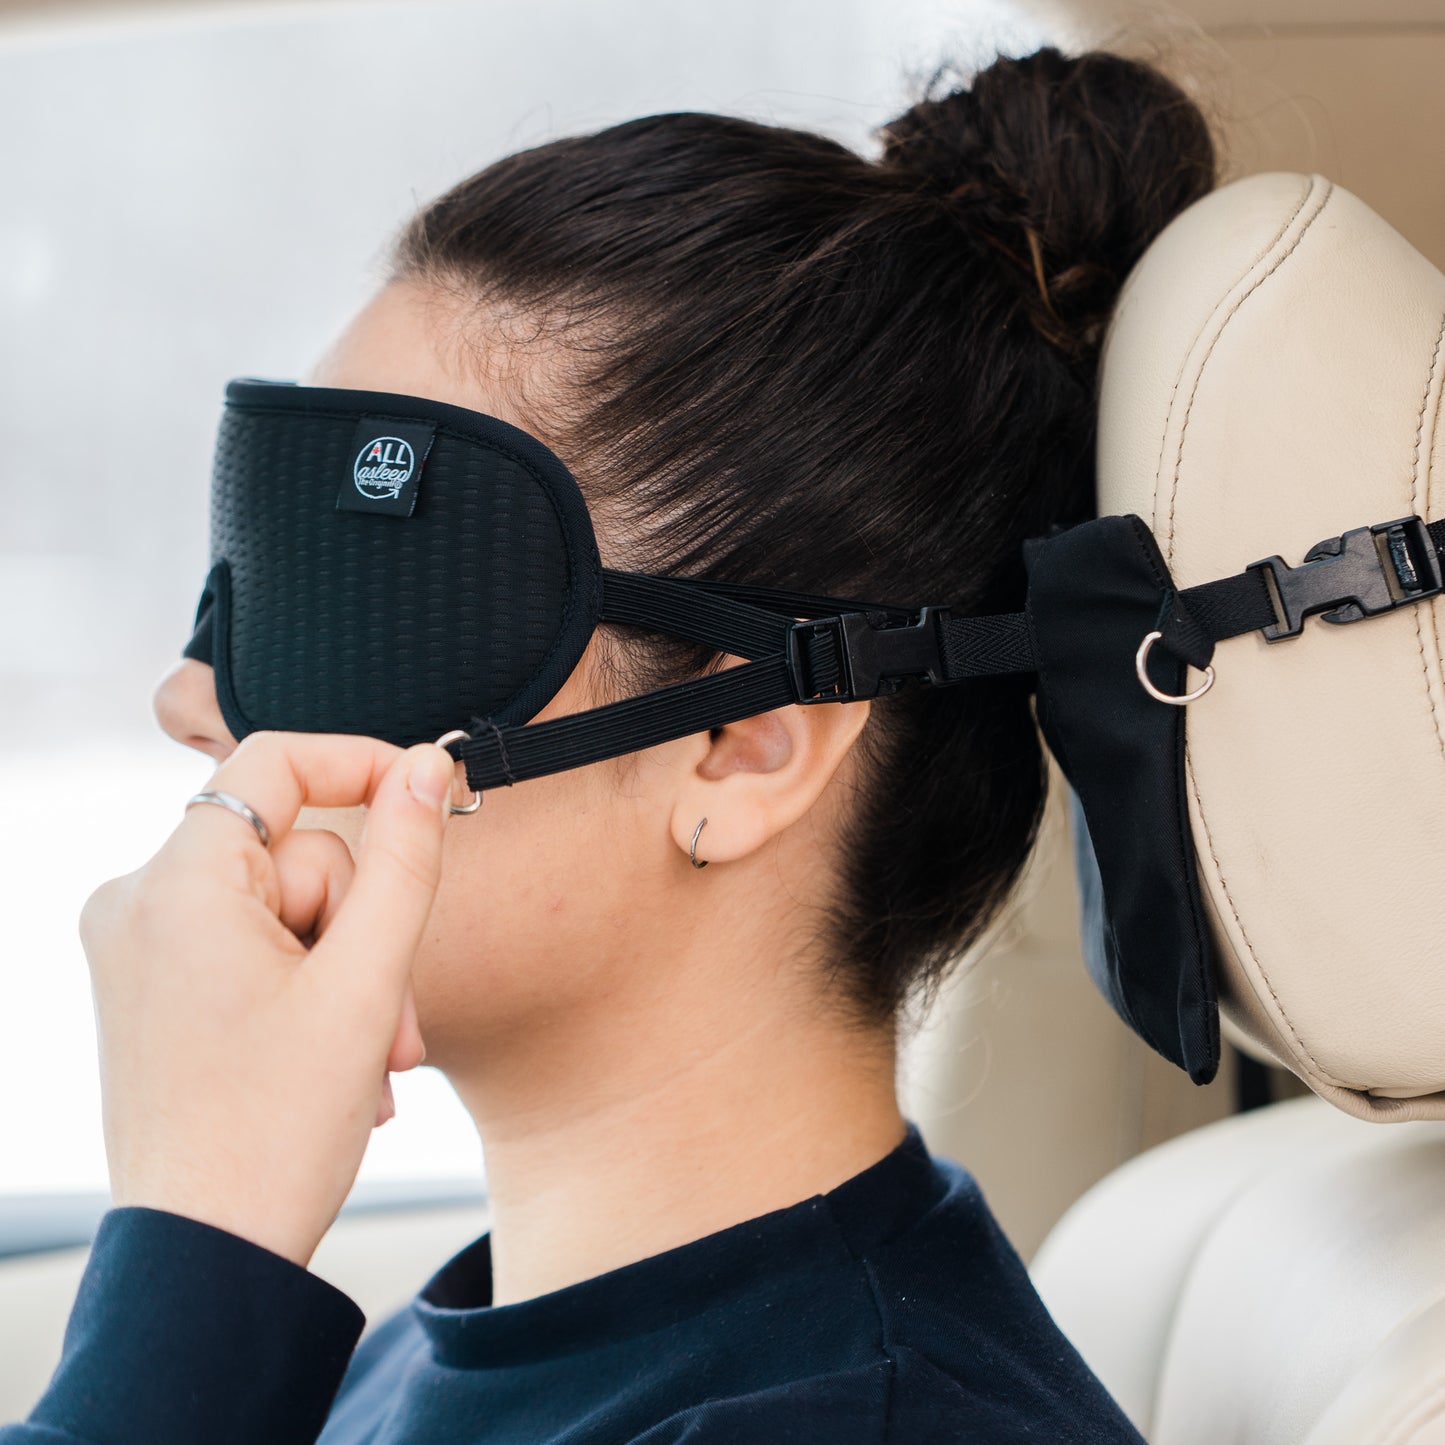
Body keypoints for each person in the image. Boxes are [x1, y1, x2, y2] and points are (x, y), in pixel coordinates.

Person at [2, 44, 1214, 1444]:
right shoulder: (415, 1361)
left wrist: (196, 1231)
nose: (194, 700)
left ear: (746, 745)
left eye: (367, 605)